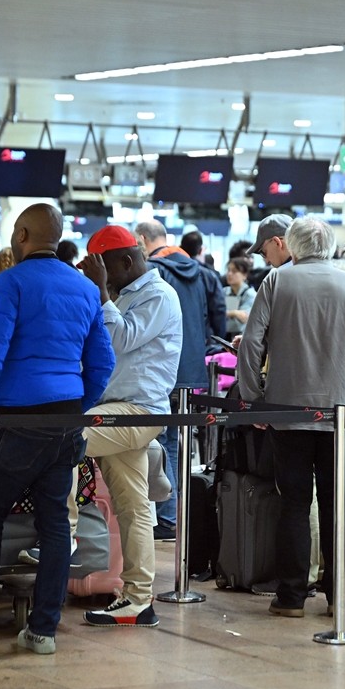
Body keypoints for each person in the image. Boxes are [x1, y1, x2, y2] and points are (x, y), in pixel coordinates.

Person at [0, 203, 114, 654]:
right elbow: (103, 363)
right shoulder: (86, 288)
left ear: (25, 235)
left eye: (15, 231)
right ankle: (43, 631)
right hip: (66, 423)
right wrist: (73, 405)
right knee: (54, 525)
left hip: (17, 420)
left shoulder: (10, 282)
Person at [237, 217, 345, 617]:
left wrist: (255, 397)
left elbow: (251, 343)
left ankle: (290, 597)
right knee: (335, 505)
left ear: (293, 244)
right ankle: (338, 594)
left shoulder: (276, 282)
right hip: (339, 418)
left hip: (287, 414)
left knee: (293, 504)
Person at [76, 225, 181, 627]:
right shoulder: (128, 294)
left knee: (62, 437)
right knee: (133, 508)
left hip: (136, 412)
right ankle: (138, 600)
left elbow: (121, 339)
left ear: (124, 262)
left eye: (102, 270)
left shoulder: (158, 295)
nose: (99, 278)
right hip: (115, 408)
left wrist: (102, 294)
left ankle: (62, 536)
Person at [136, 219, 223, 540]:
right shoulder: (201, 272)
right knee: (178, 444)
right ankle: (177, 513)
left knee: (161, 443)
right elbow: (218, 317)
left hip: (161, 369)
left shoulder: (150, 270)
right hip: (192, 370)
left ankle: (169, 515)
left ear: (142, 239)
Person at [223, 256, 255, 339]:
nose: (229, 274)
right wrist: (234, 313)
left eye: (234, 271)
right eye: (229, 270)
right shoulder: (223, 292)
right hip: (223, 338)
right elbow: (215, 313)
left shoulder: (250, 295)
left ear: (244, 275)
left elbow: (243, 318)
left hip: (242, 339)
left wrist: (227, 313)